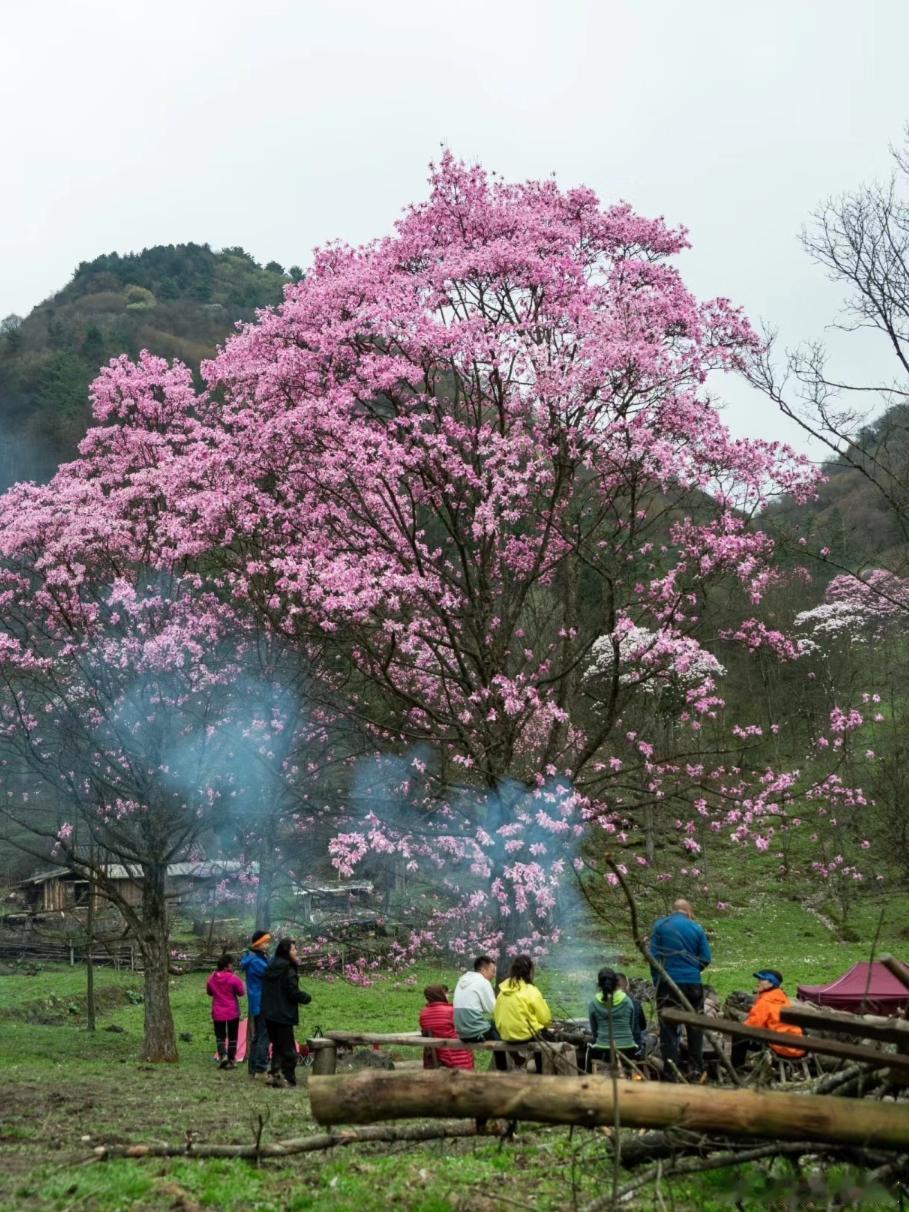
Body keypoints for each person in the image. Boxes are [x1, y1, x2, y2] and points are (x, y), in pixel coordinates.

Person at [650, 898, 712, 1081]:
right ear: (689, 911)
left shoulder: (660, 926)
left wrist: (658, 980)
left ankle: (671, 1073)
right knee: (694, 1027)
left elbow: (653, 957)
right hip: (692, 983)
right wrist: (693, 970)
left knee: (668, 1029)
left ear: (673, 911)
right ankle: (696, 1071)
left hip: (668, 982)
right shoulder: (696, 928)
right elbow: (706, 958)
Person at [261, 938, 312, 1088]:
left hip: (269, 1013)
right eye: (294, 949)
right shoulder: (288, 969)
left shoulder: (271, 965)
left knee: (277, 1046)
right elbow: (292, 991)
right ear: (287, 952)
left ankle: (275, 1074)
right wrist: (306, 998)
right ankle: (287, 1079)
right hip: (283, 1014)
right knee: (289, 1049)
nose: (296, 951)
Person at [731, 969, 806, 1069]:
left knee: (738, 1034)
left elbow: (752, 1026)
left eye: (761, 980)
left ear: (771, 983)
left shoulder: (766, 1001)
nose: (758, 983)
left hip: (783, 1047)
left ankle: (735, 1068)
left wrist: (739, 1026)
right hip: (798, 1045)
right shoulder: (781, 996)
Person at [494, 954, 553, 1073]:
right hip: (525, 1036)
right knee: (547, 1037)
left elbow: (496, 1015)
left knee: (539, 1034)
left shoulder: (502, 991)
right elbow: (546, 1019)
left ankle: (517, 1065)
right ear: (530, 971)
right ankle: (540, 1071)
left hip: (506, 1035)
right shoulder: (531, 990)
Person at [453, 955, 507, 1072]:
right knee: (498, 1038)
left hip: (461, 1031)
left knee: (493, 1026)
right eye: (492, 971)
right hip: (474, 1031)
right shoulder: (483, 982)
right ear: (483, 970)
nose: (494, 975)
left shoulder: (462, 980)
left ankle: (510, 1062)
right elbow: (492, 1008)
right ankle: (504, 1072)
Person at [587, 967, 640, 1072]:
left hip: (604, 1050)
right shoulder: (627, 1001)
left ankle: (590, 1082)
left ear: (599, 985)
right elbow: (632, 1026)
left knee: (589, 1052)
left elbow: (594, 1031)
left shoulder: (593, 1003)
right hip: (628, 1049)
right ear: (616, 983)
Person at [419, 985, 475, 1070]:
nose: (447, 995)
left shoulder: (423, 1014)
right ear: (439, 995)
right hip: (457, 1054)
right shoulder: (452, 1011)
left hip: (436, 1056)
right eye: (445, 993)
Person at [240, 930, 272, 1077]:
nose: (268, 944)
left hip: (257, 1002)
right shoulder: (256, 961)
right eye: (265, 942)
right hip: (262, 1001)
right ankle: (260, 1068)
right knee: (263, 1036)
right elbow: (270, 974)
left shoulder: (254, 958)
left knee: (257, 1036)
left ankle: (253, 1069)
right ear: (258, 944)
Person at [206, 953, 246, 1069]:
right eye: (231, 964)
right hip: (232, 1011)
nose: (232, 966)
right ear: (226, 966)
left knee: (220, 1036)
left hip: (218, 1011)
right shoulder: (233, 978)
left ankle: (223, 1055)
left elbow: (209, 992)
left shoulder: (211, 978)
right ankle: (232, 1059)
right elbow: (241, 992)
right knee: (233, 1036)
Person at [616, 972, 648, 1053]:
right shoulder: (635, 1003)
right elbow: (643, 1026)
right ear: (627, 986)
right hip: (633, 1049)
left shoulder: (605, 1004)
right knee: (648, 1036)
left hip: (610, 1048)